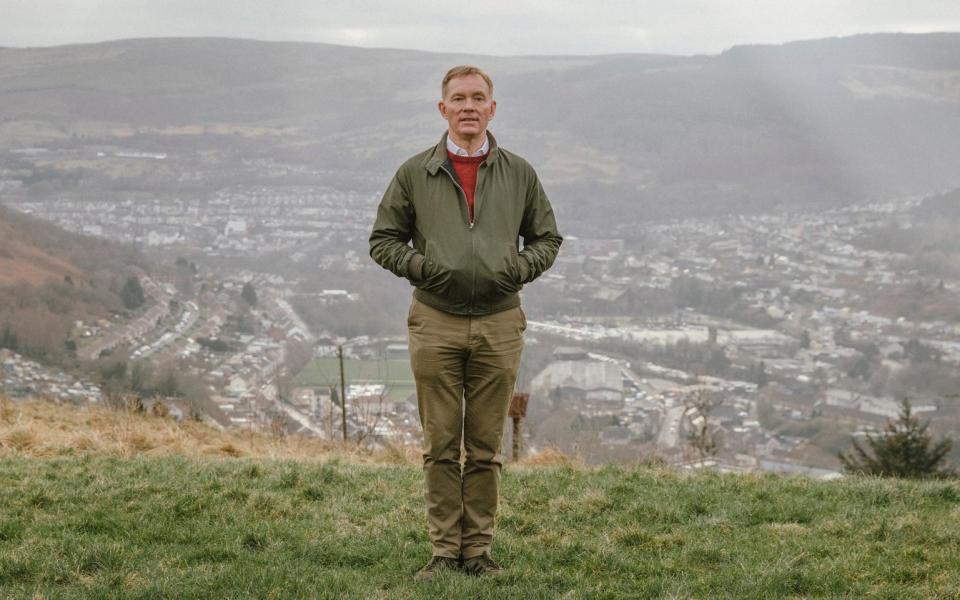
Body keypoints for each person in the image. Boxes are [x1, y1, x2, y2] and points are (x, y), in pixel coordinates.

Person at [369, 65, 562, 581]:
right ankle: (441, 551)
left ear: (492, 109)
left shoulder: (519, 173)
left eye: (479, 98)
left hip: (500, 323)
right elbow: (383, 240)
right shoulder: (415, 173)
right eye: (459, 98)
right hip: (435, 321)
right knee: (438, 444)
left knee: (483, 447)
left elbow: (547, 239)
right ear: (443, 109)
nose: (469, 106)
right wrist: (426, 268)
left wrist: (516, 270)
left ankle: (476, 551)